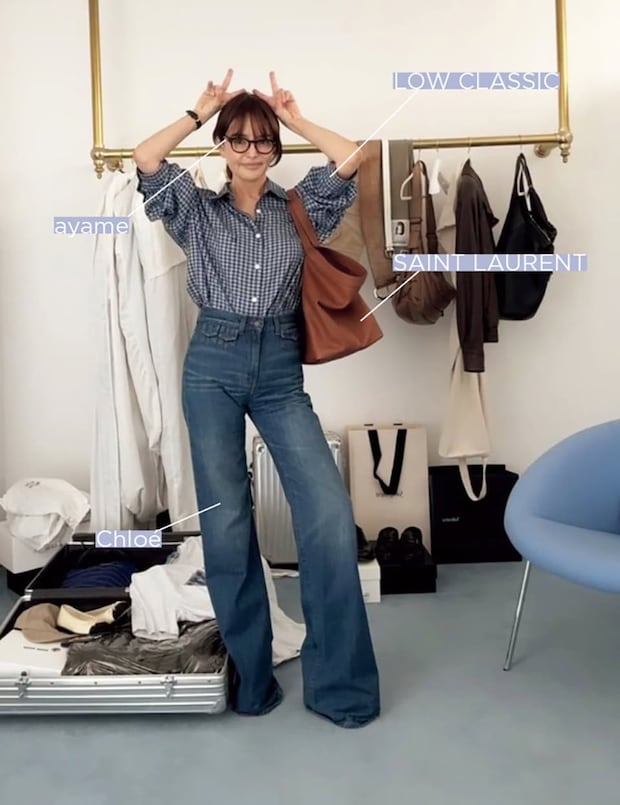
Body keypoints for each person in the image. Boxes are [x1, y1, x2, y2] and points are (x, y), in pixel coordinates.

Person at [133, 69, 380, 728]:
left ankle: (340, 687)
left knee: (328, 515)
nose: (250, 150)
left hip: (277, 370)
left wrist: (294, 116)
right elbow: (147, 158)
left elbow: (355, 155)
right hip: (211, 366)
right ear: (221, 146)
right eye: (238, 139)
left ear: (274, 148)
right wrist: (198, 111)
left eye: (263, 140)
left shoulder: (300, 207)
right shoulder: (194, 208)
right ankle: (251, 679)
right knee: (227, 524)